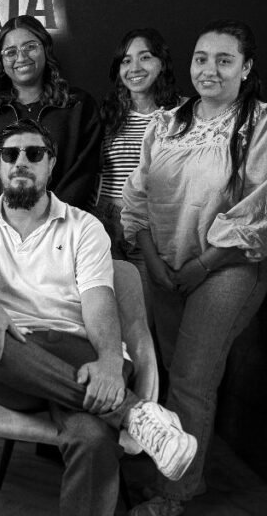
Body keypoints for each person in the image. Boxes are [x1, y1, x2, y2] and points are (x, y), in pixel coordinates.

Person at [0, 118, 198, 516]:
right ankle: (133, 413)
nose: (21, 162)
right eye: (10, 155)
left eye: (34, 153)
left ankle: (115, 410)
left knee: (93, 436)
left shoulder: (84, 227)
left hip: (79, 356)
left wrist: (110, 361)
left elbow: (99, 301)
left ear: (51, 163)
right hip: (10, 364)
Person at [123, 20, 267, 516]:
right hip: (166, 266)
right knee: (176, 372)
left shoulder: (265, 123)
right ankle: (188, 474)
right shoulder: (166, 123)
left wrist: (203, 265)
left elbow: (259, 211)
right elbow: (136, 198)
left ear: (246, 67)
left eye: (225, 60)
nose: (210, 69)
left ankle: (173, 494)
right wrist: (153, 261)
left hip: (227, 267)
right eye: (201, 58)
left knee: (191, 379)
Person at [0, 15, 103, 213]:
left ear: (45, 49)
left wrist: (48, 217)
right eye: (11, 52)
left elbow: (84, 171)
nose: (21, 57)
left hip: (61, 225)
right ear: (1, 60)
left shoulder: (78, 106)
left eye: (30, 47)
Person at [93, 28, 183, 326]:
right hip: (107, 224)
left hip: (152, 229)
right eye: (126, 60)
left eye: (145, 57)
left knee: (143, 321)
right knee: (109, 318)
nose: (134, 68)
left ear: (162, 63)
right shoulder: (108, 113)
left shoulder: (181, 114)